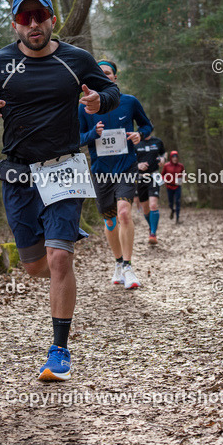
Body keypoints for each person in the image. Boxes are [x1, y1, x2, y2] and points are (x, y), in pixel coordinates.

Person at [0, 0, 119, 382]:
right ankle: (62, 264)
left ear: (52, 20)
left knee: (60, 257)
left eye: (39, 17)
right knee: (34, 266)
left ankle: (59, 352)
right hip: (19, 173)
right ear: (15, 24)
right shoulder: (0, 63)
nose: (33, 25)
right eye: (24, 19)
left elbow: (111, 90)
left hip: (66, 167)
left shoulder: (76, 59)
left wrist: (100, 100)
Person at [78, 60, 153, 290]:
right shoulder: (83, 107)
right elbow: (77, 139)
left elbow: (147, 126)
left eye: (108, 73)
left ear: (115, 77)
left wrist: (140, 135)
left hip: (126, 166)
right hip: (101, 172)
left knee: (124, 214)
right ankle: (118, 263)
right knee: (110, 221)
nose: (104, 76)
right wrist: (93, 133)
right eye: (99, 74)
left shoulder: (129, 101)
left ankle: (129, 267)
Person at [134, 133, 166, 244]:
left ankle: (153, 233)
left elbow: (163, 153)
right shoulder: (135, 142)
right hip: (140, 178)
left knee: (153, 205)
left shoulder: (157, 141)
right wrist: (137, 166)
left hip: (154, 176)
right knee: (146, 209)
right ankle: (151, 227)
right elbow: (129, 160)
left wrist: (163, 158)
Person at [161, 151, 185, 223]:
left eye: (176, 157)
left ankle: (177, 218)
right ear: (171, 158)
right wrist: (164, 180)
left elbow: (184, 174)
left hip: (177, 186)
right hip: (169, 186)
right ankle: (172, 210)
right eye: (173, 157)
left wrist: (185, 176)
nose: (175, 158)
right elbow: (162, 174)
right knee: (170, 203)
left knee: (177, 201)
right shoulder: (166, 165)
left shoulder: (181, 166)